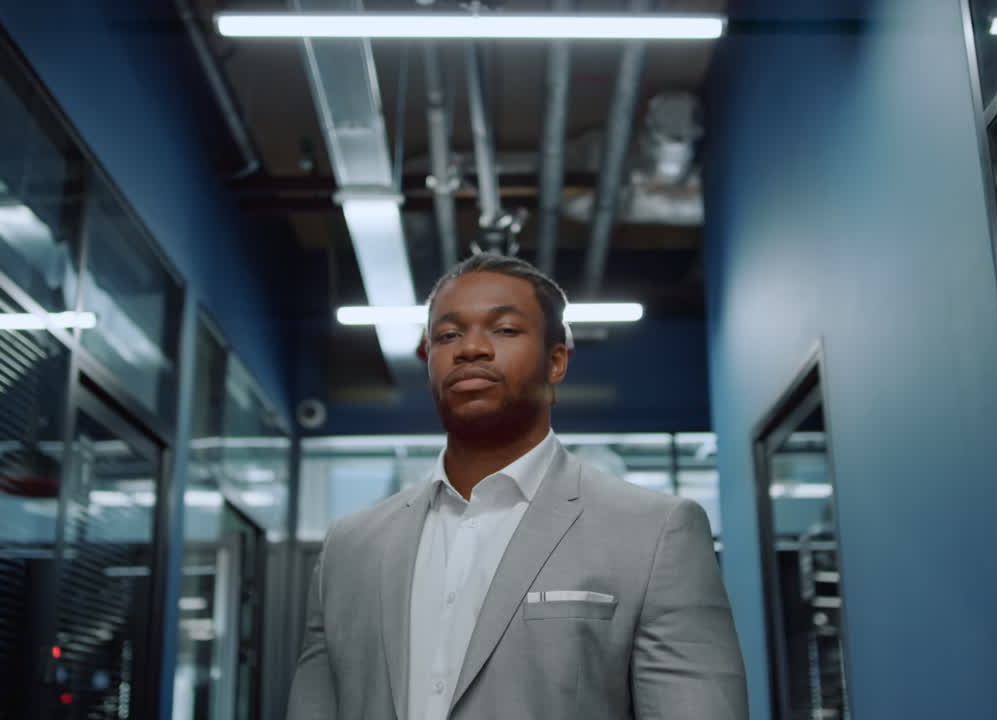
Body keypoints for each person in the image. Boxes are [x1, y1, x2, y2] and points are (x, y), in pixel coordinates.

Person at [288, 254, 747, 720]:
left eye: (504, 330)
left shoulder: (655, 533)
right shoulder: (349, 547)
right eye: (448, 335)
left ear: (556, 362)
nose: (471, 349)